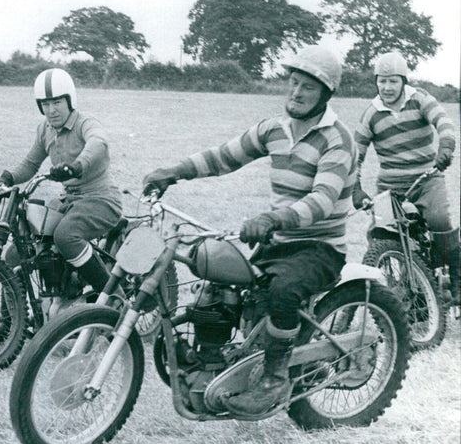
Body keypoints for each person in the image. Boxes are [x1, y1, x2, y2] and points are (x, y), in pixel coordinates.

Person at [143, 45, 356, 416]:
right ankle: (211, 362)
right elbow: (223, 156)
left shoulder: (337, 139)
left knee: (283, 292)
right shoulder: (274, 129)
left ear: (326, 92)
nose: (297, 92)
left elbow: (323, 199)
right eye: (293, 82)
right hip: (278, 241)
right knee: (217, 281)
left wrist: (274, 219)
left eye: (308, 86)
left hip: (319, 247)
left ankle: (275, 378)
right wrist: (172, 172)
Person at [0, 68, 122, 342]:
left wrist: (77, 165)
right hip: (70, 200)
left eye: (57, 102)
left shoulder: (85, 123)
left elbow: (98, 143)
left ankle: (113, 299)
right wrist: (8, 177)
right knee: (15, 253)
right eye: (46, 104)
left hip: (101, 198)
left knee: (66, 236)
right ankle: (11, 326)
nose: (52, 110)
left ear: (70, 101)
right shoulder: (45, 129)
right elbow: (31, 164)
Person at [352, 51, 459, 307]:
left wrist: (445, 146)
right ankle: (395, 291)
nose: (387, 87)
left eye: (393, 81)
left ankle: (456, 278)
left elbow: (444, 122)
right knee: (378, 235)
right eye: (382, 81)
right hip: (390, 187)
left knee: (439, 219)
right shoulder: (371, 113)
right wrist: (355, 188)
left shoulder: (420, 98)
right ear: (376, 81)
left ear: (403, 81)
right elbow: (356, 153)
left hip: (426, 179)